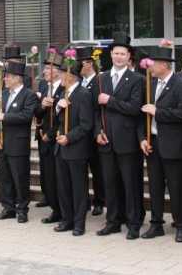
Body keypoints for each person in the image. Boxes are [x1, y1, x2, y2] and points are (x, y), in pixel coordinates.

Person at [95, 32, 144, 240]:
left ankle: (134, 223)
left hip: (128, 141)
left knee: (131, 184)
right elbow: (95, 110)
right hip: (106, 140)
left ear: (129, 56)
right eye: (116, 53)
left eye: (123, 54)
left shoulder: (138, 79)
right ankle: (113, 221)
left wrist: (110, 101)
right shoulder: (102, 78)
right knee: (110, 183)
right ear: (111, 54)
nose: (119, 57)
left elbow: (135, 108)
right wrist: (98, 131)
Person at [140, 44, 182, 243]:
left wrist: (158, 112)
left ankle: (181, 225)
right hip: (153, 142)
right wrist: (143, 138)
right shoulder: (151, 84)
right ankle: (156, 223)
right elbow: (142, 113)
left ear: (164, 65)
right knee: (154, 186)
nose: (150, 67)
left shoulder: (181, 84)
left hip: (173, 144)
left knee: (176, 187)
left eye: (153, 63)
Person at [0, 61, 38, 223]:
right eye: (5, 76)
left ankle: (22, 209)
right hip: (1, 144)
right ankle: (8, 207)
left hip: (18, 144)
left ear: (18, 78)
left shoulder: (28, 95)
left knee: (20, 178)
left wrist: (5, 116)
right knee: (4, 178)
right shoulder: (2, 94)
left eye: (8, 77)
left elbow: (26, 116)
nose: (5, 79)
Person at [53, 58, 94, 236]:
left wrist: (69, 138)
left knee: (78, 189)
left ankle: (79, 223)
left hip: (76, 148)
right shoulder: (63, 93)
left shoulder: (83, 94)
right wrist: (57, 108)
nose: (59, 76)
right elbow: (57, 120)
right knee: (63, 187)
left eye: (62, 73)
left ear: (72, 76)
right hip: (61, 148)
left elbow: (86, 124)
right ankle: (66, 220)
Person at [35, 51, 65, 225]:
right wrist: (42, 105)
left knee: (59, 177)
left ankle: (63, 209)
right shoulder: (43, 86)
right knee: (48, 176)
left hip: (58, 138)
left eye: (48, 68)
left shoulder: (65, 88)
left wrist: (51, 133)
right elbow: (37, 113)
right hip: (43, 138)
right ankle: (55, 208)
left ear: (58, 71)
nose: (44, 71)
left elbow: (64, 118)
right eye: (45, 68)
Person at [77, 46, 105, 216]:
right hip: (80, 132)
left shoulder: (99, 81)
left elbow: (99, 109)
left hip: (94, 132)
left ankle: (99, 201)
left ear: (88, 64)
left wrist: (98, 130)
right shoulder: (79, 82)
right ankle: (84, 200)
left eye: (80, 63)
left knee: (97, 169)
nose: (78, 67)